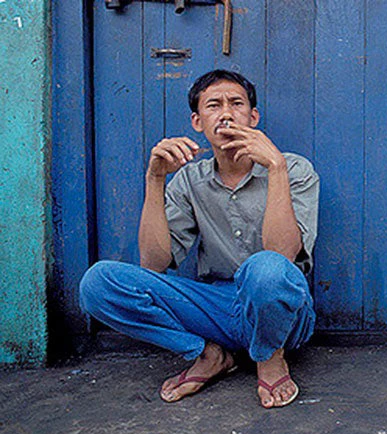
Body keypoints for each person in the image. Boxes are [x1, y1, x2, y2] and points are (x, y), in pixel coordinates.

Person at [79, 69, 319, 409]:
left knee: (267, 268)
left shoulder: (293, 170)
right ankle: (209, 354)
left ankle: (270, 355)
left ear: (253, 117)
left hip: (283, 312)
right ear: (197, 121)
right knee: (98, 282)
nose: (225, 113)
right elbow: (154, 264)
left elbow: (282, 255)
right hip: (217, 309)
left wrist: (275, 167)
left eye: (236, 104)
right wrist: (155, 179)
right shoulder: (189, 181)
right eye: (213, 105)